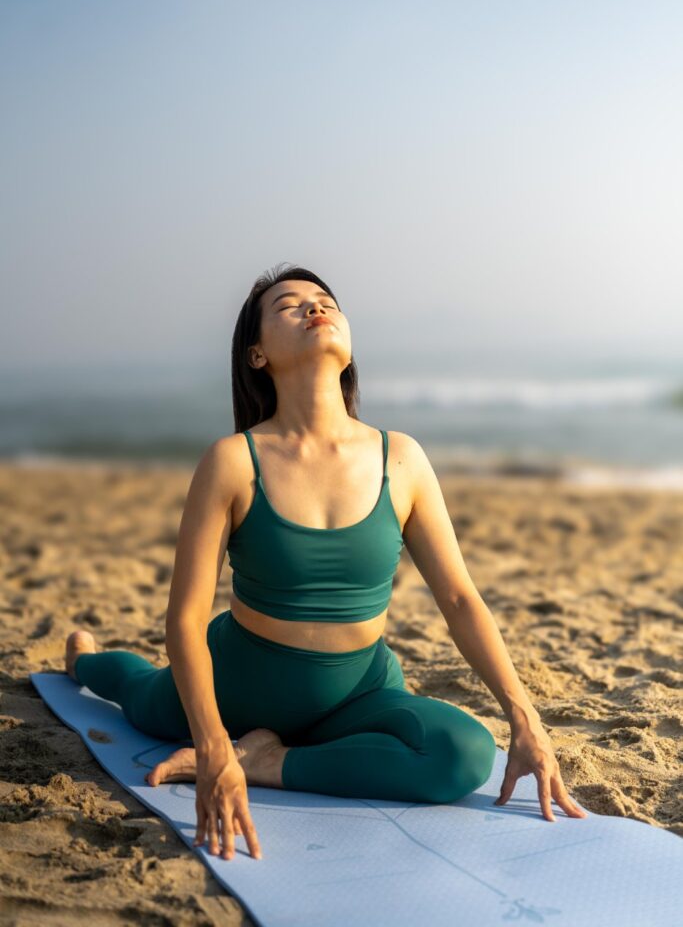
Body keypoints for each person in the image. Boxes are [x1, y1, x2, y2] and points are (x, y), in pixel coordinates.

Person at [65, 262, 587, 864]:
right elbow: (184, 619)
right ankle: (85, 658)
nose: (315, 308)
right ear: (257, 354)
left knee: (463, 754)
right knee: (138, 697)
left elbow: (461, 599)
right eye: (290, 305)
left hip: (358, 691)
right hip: (242, 683)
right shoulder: (233, 462)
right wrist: (211, 747)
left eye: (325, 300)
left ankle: (268, 761)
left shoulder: (403, 459)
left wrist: (525, 720)